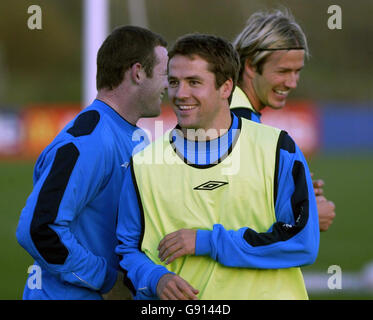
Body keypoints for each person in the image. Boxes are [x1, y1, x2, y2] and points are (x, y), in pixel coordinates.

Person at [116, 33, 319, 300]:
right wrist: (155, 278)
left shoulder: (277, 150)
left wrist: (209, 242)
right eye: (174, 82)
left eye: (194, 82)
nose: (180, 94)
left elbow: (302, 242)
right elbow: (126, 251)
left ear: (226, 88)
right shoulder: (144, 164)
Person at [16, 25, 168, 300]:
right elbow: (38, 229)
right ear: (137, 73)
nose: (168, 85)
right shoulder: (89, 140)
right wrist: (106, 280)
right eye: (164, 74)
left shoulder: (136, 136)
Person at [230, 9, 336, 232]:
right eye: (283, 71)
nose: (292, 82)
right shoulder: (239, 122)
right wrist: (309, 215)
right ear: (250, 65)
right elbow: (235, 217)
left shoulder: (232, 112)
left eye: (297, 71)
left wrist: (294, 193)